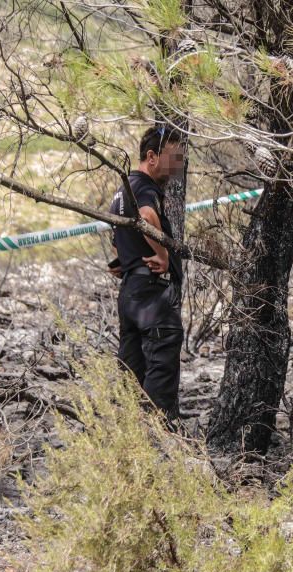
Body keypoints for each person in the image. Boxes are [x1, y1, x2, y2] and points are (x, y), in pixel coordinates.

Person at [108, 125, 187, 423]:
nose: (178, 164)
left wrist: (126, 259)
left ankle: (129, 437)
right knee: (160, 368)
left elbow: (117, 233)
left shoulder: (123, 189)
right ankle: (156, 440)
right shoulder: (143, 187)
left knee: (131, 374)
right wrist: (164, 255)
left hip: (131, 291)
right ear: (152, 157)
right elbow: (146, 217)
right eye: (174, 157)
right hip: (151, 294)